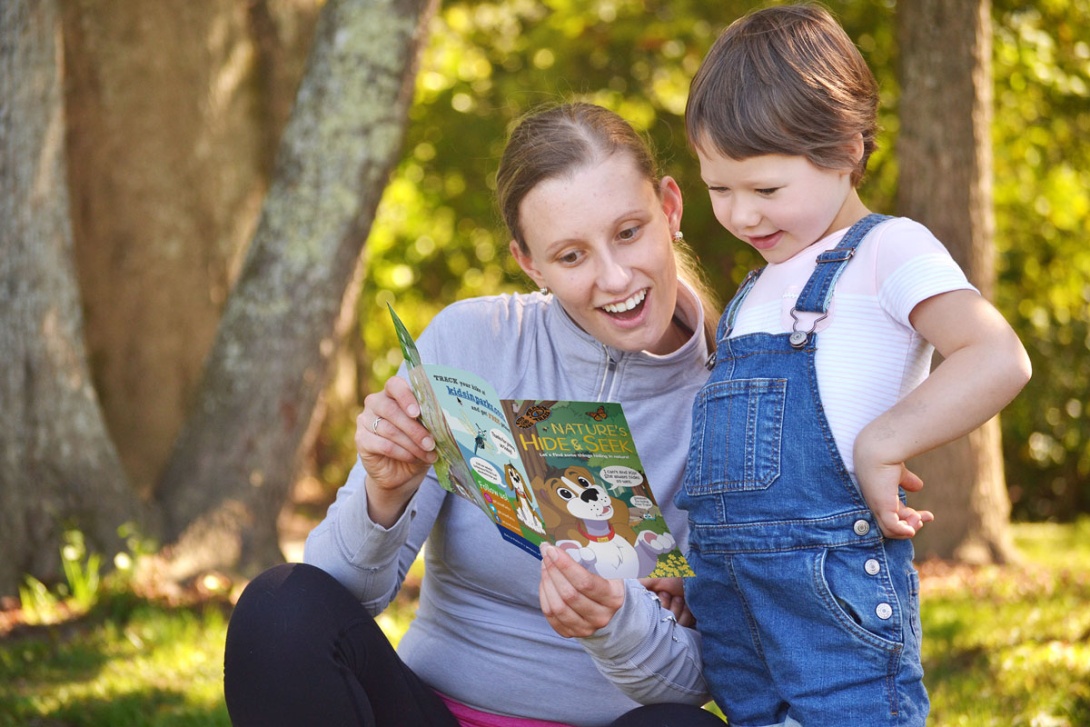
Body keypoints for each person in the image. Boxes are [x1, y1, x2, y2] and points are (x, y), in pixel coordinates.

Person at [223, 102, 727, 727]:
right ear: (529, 262)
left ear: (670, 208)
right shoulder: (472, 341)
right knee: (279, 604)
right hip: (428, 712)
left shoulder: (733, 402)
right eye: (571, 256)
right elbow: (333, 599)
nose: (614, 276)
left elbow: (702, 679)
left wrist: (614, 624)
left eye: (628, 232)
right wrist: (384, 495)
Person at [674, 5, 1033, 726]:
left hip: (829, 592)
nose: (742, 214)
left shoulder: (886, 250)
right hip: (732, 598)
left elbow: (998, 354)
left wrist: (883, 440)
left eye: (765, 189)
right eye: (719, 189)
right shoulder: (751, 293)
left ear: (844, 149)